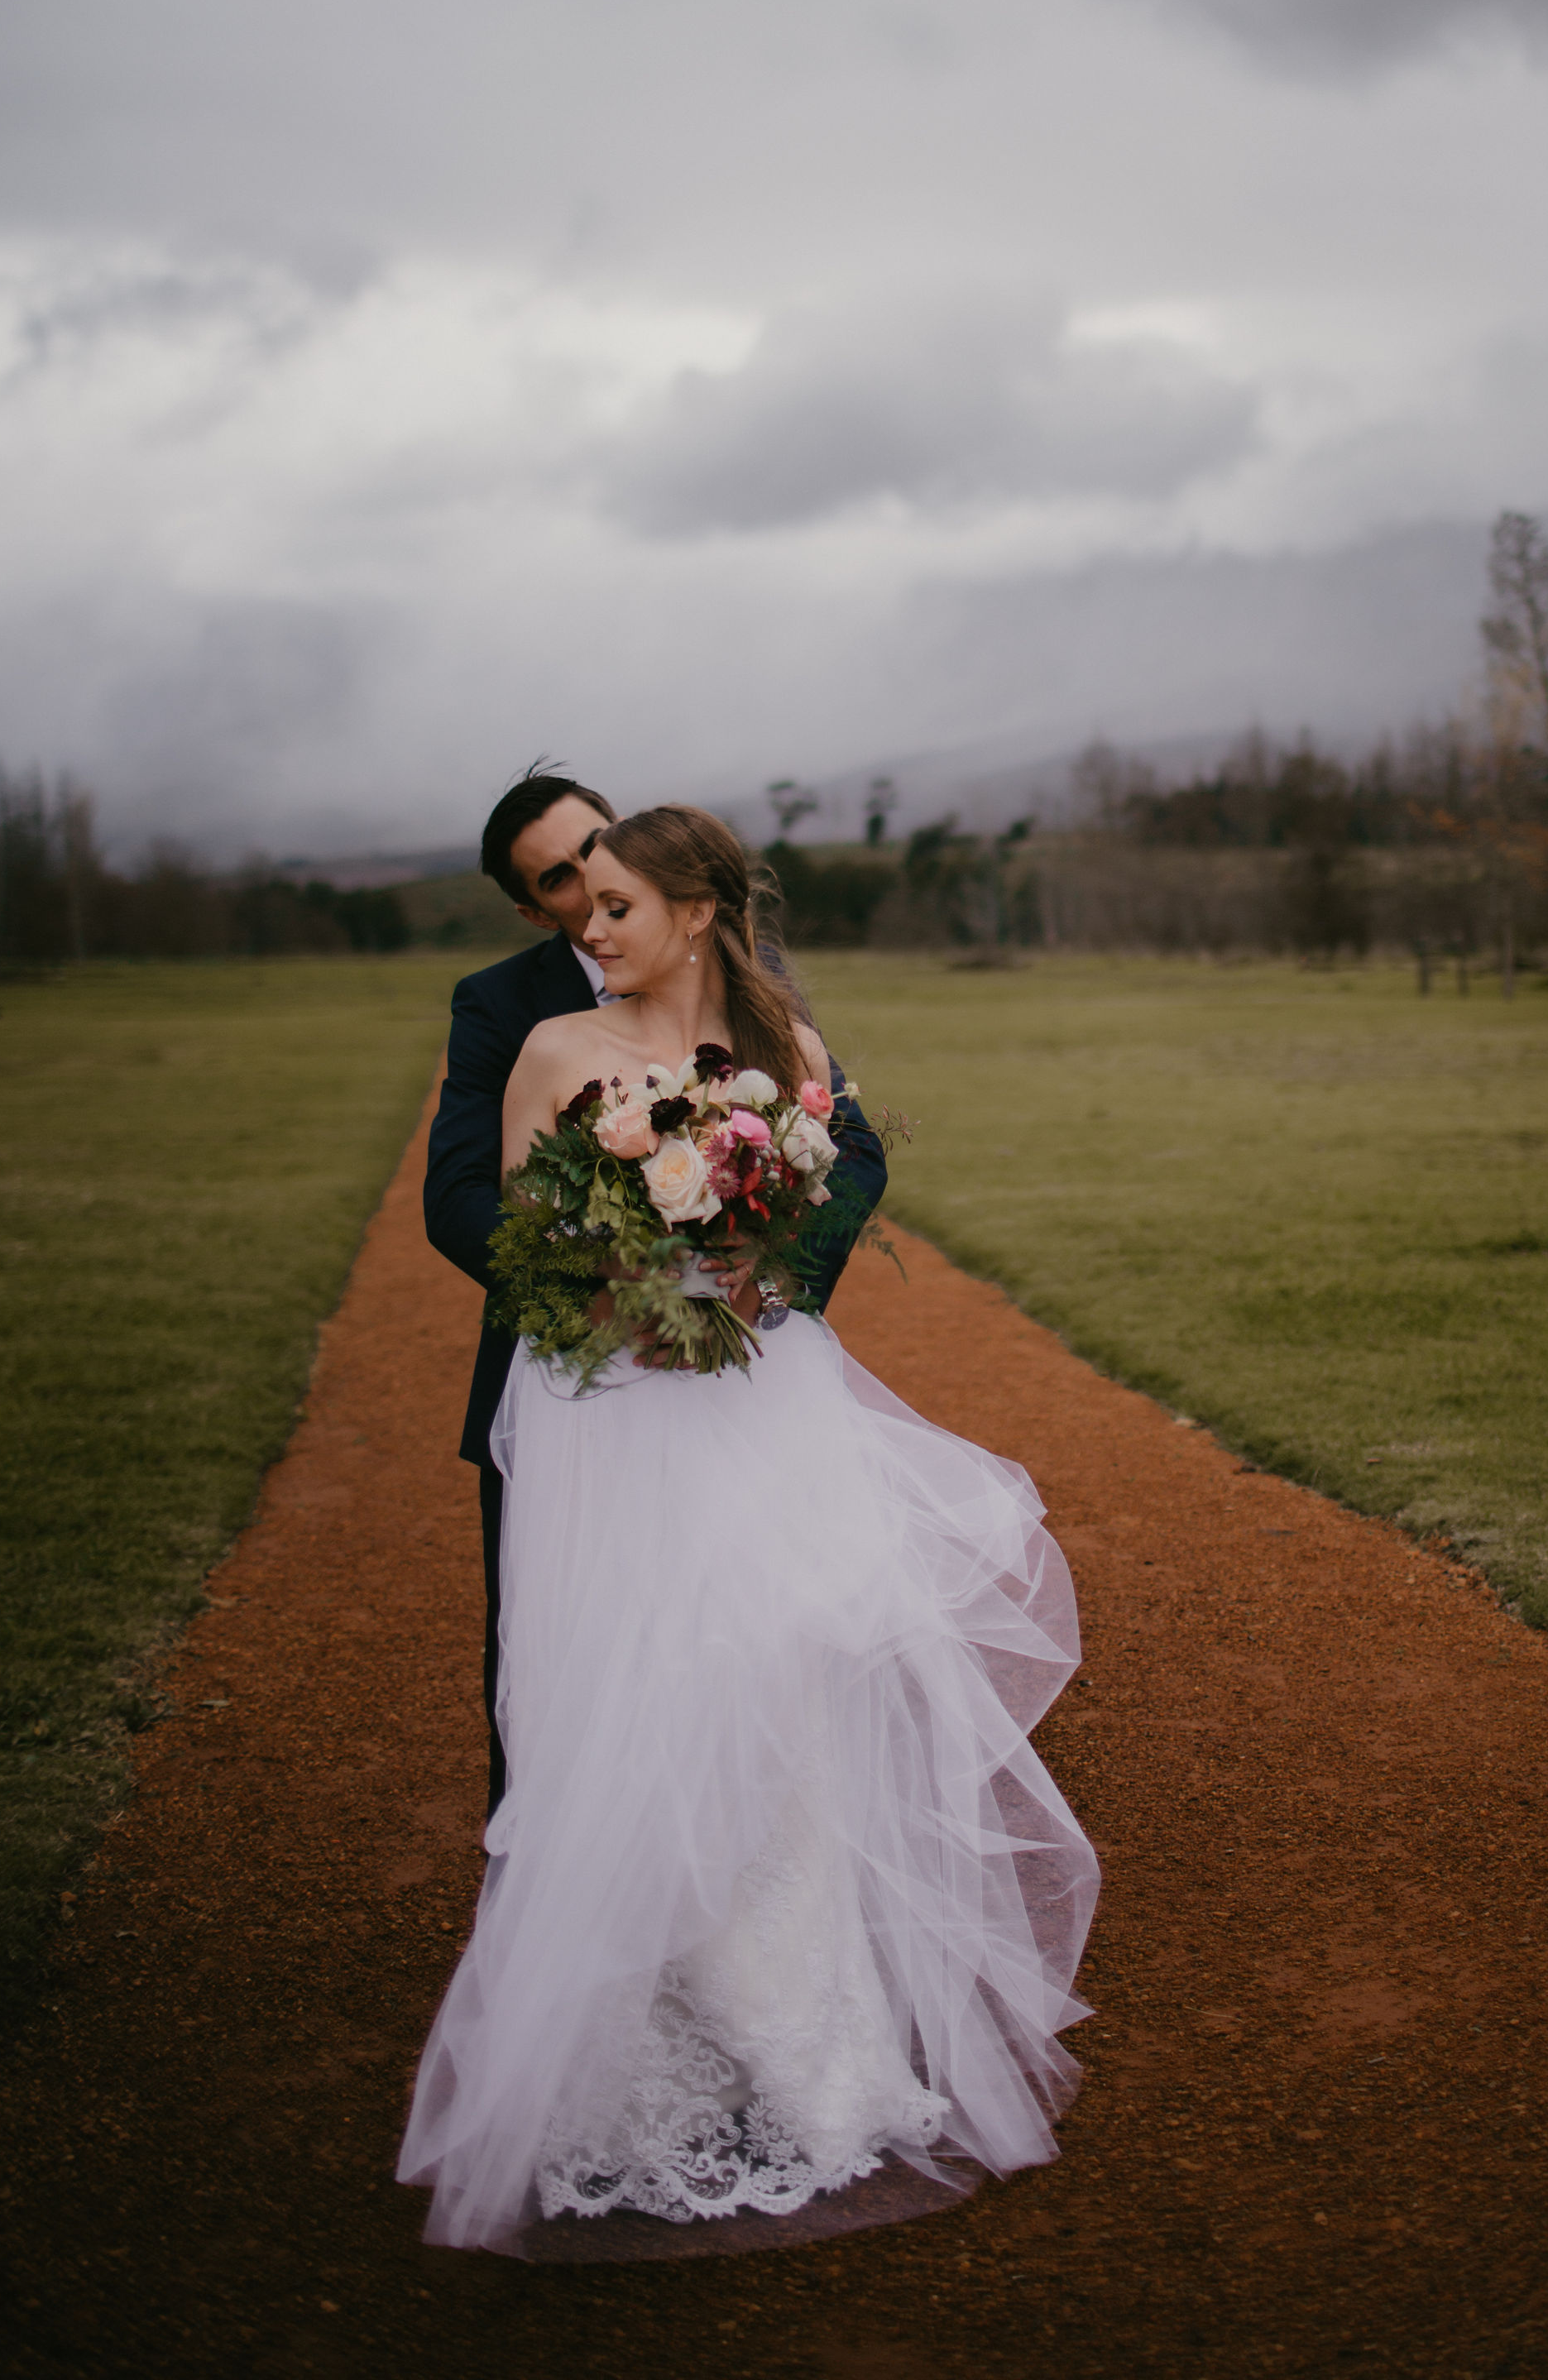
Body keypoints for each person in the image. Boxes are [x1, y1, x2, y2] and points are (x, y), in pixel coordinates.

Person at [399, 806, 1097, 2253]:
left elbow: (829, 1189)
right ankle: (639, 2057)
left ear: (697, 912)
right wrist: (620, 1299)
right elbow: (511, 1235)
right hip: (610, 1417)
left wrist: (756, 1279)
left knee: (782, 1688)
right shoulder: (550, 1049)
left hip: (758, 1401)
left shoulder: (784, 1051)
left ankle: (807, 2046)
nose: (589, 928)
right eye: (575, 904)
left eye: (614, 904)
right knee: (631, 1694)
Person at [424, 767, 890, 1817]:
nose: (591, 904)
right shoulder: (515, 1017)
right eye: (562, 883)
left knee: (767, 1640)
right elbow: (460, 1200)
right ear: (533, 906)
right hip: (588, 1382)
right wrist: (615, 1292)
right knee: (568, 1664)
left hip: (747, 1371)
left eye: (603, 860)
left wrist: (768, 1277)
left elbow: (843, 1150)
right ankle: (558, 1873)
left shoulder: (760, 998)